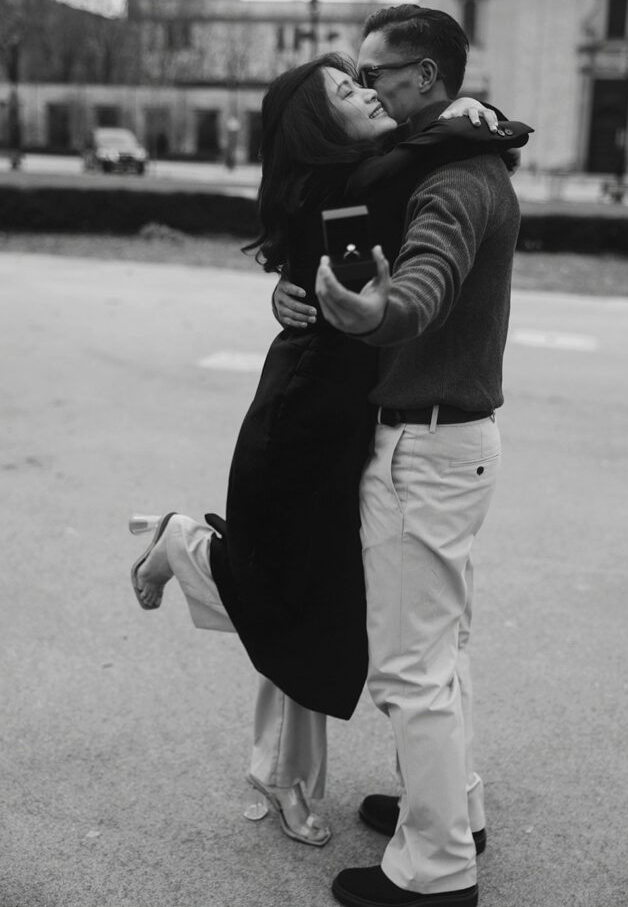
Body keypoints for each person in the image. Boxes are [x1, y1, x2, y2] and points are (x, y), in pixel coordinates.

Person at [129, 48, 529, 855]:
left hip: (353, 419)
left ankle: (190, 549)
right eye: (348, 91)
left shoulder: (360, 175)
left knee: (312, 602)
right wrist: (472, 119)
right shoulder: (348, 185)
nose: (368, 92)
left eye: (363, 80)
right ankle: (282, 766)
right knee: (296, 599)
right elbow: (399, 172)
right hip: (306, 423)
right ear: (321, 125)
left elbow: (399, 177)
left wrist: (473, 119)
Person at [304, 6, 525, 907]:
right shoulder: (462, 155)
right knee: (442, 648)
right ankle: (453, 808)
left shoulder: (455, 180)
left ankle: (434, 869)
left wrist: (379, 313)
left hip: (427, 446)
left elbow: (428, 274)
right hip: (452, 441)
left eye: (374, 73)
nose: (364, 87)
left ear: (425, 77)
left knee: (410, 667)